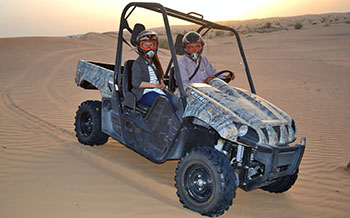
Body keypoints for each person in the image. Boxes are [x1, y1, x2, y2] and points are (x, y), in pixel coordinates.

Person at [131, 30, 171, 107]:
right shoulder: (138, 63)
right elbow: (136, 83)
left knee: (176, 102)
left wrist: (161, 83)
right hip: (144, 92)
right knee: (166, 104)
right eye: (145, 45)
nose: (149, 48)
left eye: (152, 45)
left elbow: (159, 75)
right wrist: (155, 85)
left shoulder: (155, 62)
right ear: (140, 47)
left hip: (156, 90)